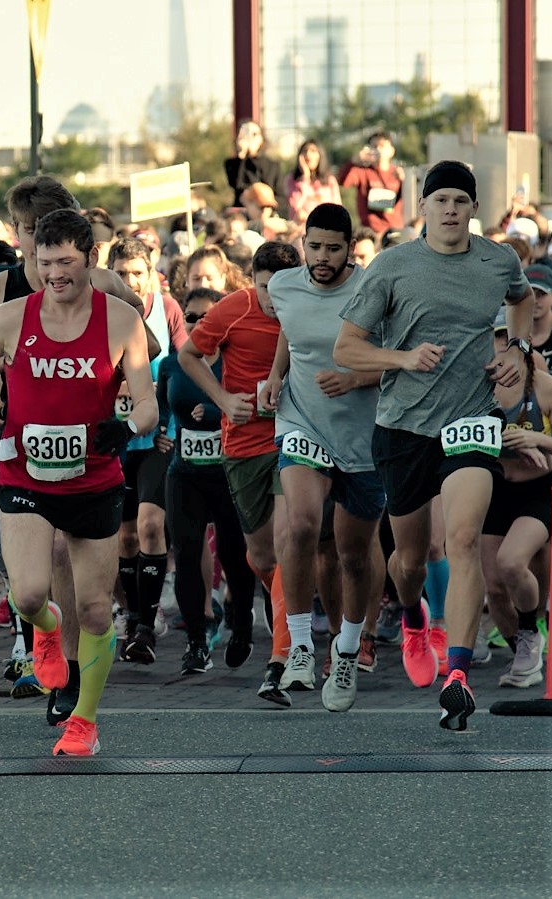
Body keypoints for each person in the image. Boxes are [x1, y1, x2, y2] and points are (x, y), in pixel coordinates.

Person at [335, 160, 534, 731]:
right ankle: (415, 617)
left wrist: (514, 349)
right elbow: (348, 350)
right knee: (411, 560)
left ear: (474, 208)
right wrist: (401, 358)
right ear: (422, 207)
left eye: (461, 200)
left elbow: (520, 301)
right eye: (441, 199)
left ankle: (458, 673)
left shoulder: (498, 259)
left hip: (471, 420)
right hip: (403, 427)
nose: (451, 209)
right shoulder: (393, 267)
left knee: (465, 539)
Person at [0, 208, 157, 755]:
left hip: (94, 479)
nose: (55, 274)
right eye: (44, 262)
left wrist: (125, 427)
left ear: (91, 260)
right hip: (23, 472)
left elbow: (147, 402)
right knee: (27, 594)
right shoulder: (9, 319)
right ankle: (46, 629)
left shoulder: (120, 320)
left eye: (66, 262)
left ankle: (85, 722)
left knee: (95, 608)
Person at [260, 203, 385, 712]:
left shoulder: (373, 290)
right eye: (314, 246)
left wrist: (356, 378)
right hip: (300, 418)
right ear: (303, 242)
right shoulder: (285, 285)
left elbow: (399, 358)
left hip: (362, 433)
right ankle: (300, 647)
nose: (322, 257)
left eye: (333, 248)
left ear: (350, 249)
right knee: (302, 526)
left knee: (354, 554)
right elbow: (290, 332)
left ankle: (350, 649)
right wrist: (274, 377)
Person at [180, 241, 302, 706]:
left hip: (295, 438)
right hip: (244, 443)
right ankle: (284, 607)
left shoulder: (309, 306)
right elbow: (189, 356)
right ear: (252, 281)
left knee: (289, 547)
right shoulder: (233, 309)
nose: (273, 298)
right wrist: (223, 401)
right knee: (263, 557)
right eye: (265, 287)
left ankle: (280, 662)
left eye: (281, 288)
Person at [158, 287, 255, 674]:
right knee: (185, 554)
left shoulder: (237, 360)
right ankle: (196, 641)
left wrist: (217, 411)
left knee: (234, 555)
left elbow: (253, 401)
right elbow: (167, 407)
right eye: (191, 316)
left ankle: (243, 627)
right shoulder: (172, 363)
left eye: (206, 317)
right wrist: (164, 430)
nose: (199, 323)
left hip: (229, 473)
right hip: (185, 474)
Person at [107, 237, 186, 662]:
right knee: (124, 536)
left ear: (153, 271)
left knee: (152, 526)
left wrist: (171, 421)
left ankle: (146, 624)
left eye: (137, 272)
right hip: (116, 439)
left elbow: (183, 365)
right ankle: (132, 613)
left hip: (157, 436)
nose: (130, 280)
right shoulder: (100, 309)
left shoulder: (167, 310)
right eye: (121, 273)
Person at [481, 310, 552, 688]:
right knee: (493, 588)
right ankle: (522, 648)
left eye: (511, 338)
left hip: (537, 492)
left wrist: (536, 439)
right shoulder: (477, 387)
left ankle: (530, 630)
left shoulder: (543, 386)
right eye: (497, 338)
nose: (503, 347)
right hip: (493, 490)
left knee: (511, 563)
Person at [338, 131, 404, 235]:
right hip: (370, 231)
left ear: (392, 151)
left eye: (382, 146)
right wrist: (354, 161)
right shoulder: (363, 172)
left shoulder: (398, 174)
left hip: (394, 231)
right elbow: (343, 181)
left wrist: (404, 181)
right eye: (375, 146)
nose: (378, 150)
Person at [224, 119, 285, 212]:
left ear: (261, 139)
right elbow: (237, 184)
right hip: (243, 212)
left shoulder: (273, 165)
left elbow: (281, 197)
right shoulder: (232, 164)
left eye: (254, 134)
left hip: (266, 212)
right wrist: (242, 155)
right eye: (246, 134)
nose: (250, 138)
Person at [284, 140, 342, 226]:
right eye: (305, 151)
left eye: (313, 151)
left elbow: (338, 210)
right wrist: (305, 178)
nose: (308, 155)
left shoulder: (329, 180)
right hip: (301, 230)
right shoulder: (292, 180)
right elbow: (295, 207)